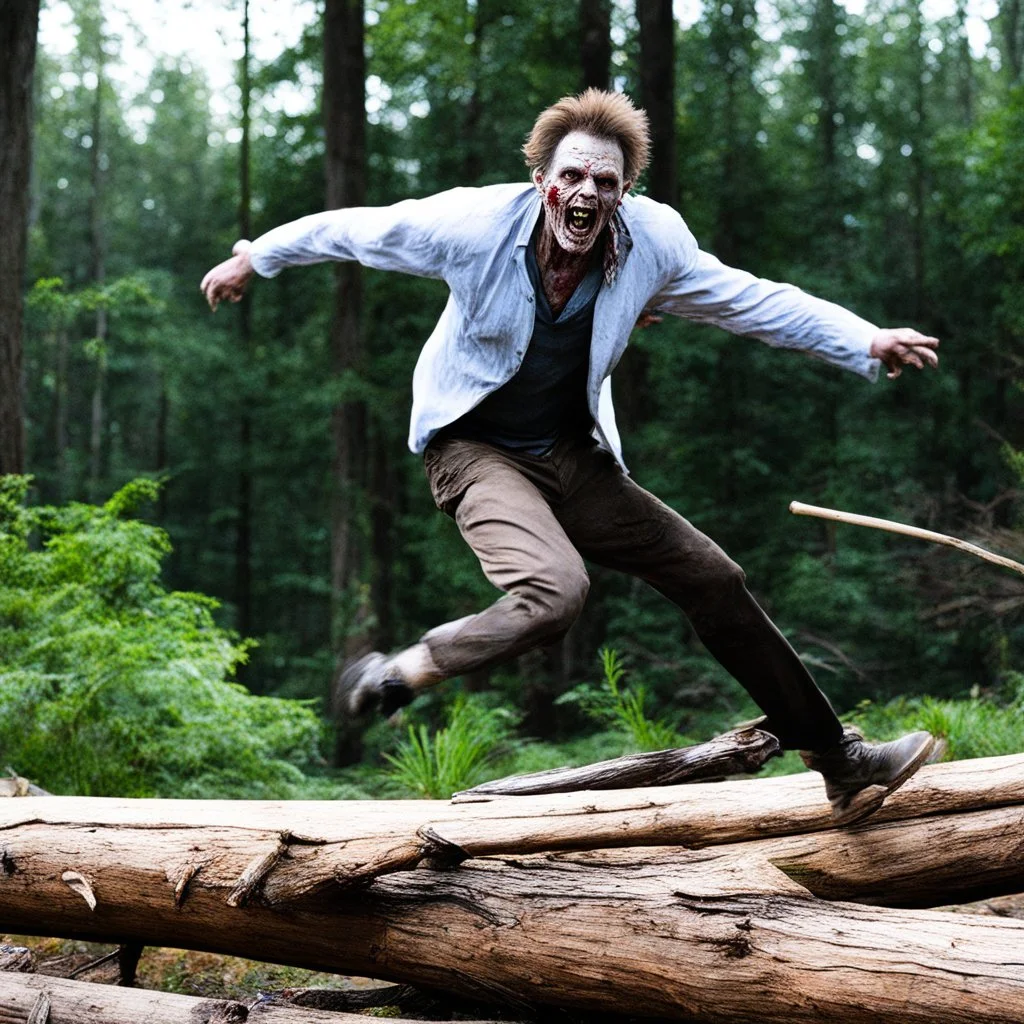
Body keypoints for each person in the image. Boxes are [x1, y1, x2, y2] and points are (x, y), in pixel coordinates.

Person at [201, 89, 940, 826]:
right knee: (554, 593)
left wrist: (864, 339)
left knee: (714, 578)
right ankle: (402, 673)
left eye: (605, 182)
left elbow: (751, 302)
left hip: (572, 452)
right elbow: (358, 230)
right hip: (473, 449)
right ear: (542, 182)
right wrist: (255, 258)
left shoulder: (653, 243)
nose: (586, 193)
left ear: (625, 193)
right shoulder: (473, 227)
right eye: (573, 177)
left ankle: (838, 759)